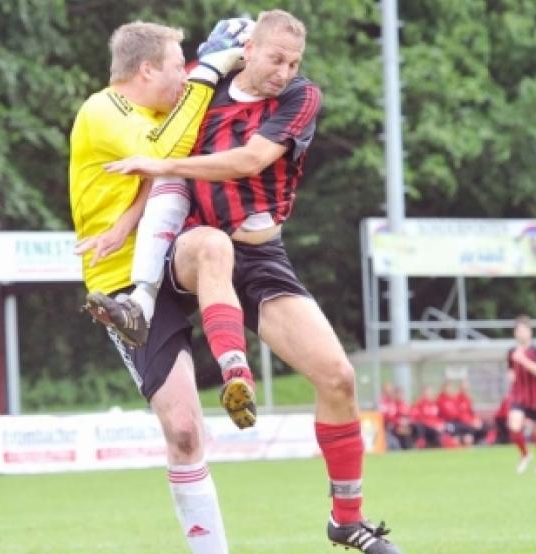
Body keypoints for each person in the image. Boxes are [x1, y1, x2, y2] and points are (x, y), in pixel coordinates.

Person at [104, 10, 401, 553]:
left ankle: (347, 519)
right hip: (193, 249)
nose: (285, 71)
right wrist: (129, 212)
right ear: (249, 51)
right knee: (212, 246)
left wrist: (156, 165)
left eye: (293, 62)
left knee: (337, 378)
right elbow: (163, 146)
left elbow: (248, 161)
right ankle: (233, 370)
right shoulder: (202, 85)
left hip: (262, 260)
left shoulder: (300, 99)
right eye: (275, 59)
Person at [68, 20, 246, 553]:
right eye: (177, 65)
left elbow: (168, 164)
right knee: (186, 431)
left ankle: (238, 359)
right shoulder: (105, 111)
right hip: (117, 279)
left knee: (214, 245)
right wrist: (211, 69)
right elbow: (165, 149)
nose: (184, 74)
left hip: (176, 253)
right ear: (146, 69)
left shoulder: (160, 110)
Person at [506, 315, 536, 475]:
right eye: (518, 331)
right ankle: (525, 454)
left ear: (530, 332)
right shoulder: (511, 352)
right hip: (519, 396)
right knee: (514, 426)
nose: (521, 334)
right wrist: (510, 376)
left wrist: (523, 360)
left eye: (524, 330)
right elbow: (510, 370)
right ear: (515, 334)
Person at [380, 383, 414, 450]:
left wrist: (405, 423)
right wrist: (398, 422)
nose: (389, 392)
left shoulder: (399, 403)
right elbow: (388, 417)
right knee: (401, 435)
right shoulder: (384, 402)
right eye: (387, 390)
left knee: (411, 430)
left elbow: (408, 415)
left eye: (390, 390)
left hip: (400, 426)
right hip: (390, 427)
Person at [455, 380, 489, 446]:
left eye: (467, 388)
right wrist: (471, 421)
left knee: (485, 425)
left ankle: (480, 441)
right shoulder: (457, 399)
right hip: (462, 423)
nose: (466, 390)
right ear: (460, 388)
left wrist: (476, 420)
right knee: (469, 428)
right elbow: (458, 415)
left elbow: (472, 412)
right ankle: (468, 444)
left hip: (470, 421)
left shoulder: (468, 399)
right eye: (464, 388)